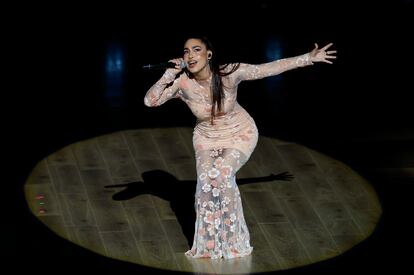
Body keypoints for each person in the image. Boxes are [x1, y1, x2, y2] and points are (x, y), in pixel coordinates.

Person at [144, 36, 336, 259]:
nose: (191, 55)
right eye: (186, 51)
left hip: (239, 133)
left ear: (209, 55)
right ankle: (210, 245)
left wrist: (307, 58)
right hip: (206, 137)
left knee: (223, 175)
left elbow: (267, 69)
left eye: (197, 50)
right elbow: (151, 101)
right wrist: (169, 74)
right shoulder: (183, 83)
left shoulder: (229, 73)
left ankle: (234, 242)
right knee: (206, 182)